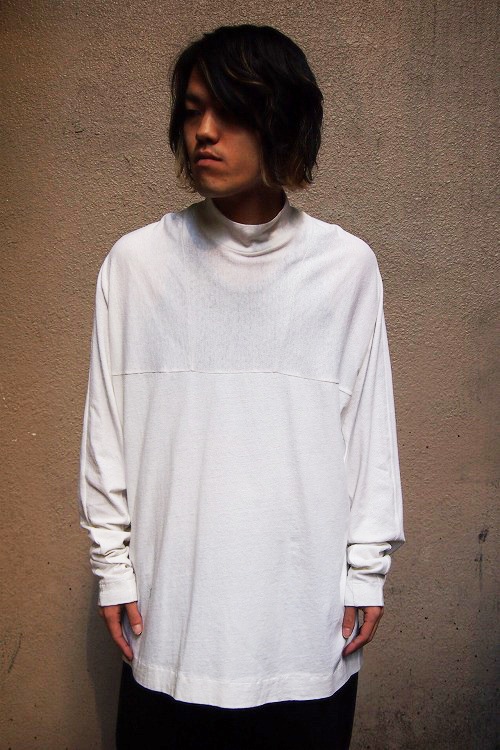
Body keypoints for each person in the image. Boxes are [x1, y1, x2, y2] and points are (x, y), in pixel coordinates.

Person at [78, 24, 405, 750]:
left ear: (282, 121)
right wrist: (113, 570)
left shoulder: (346, 268)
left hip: (303, 633)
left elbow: (368, 437)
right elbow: (107, 433)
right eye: (193, 111)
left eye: (229, 110)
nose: (203, 131)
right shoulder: (136, 266)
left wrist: (366, 573)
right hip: (170, 630)